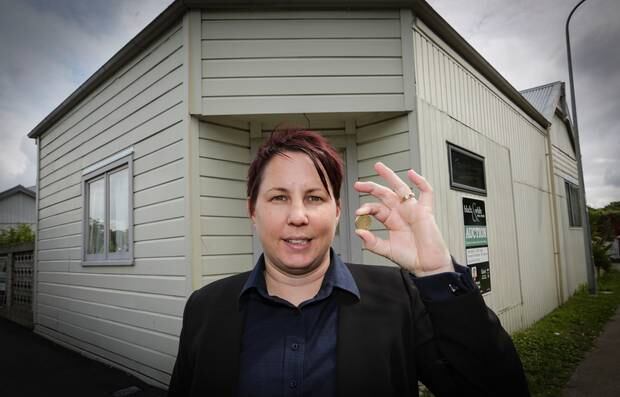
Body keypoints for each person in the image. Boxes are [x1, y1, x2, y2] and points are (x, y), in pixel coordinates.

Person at [168, 128, 529, 396]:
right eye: (279, 197)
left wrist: (436, 271)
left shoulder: (400, 297)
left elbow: (498, 388)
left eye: (314, 198)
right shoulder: (205, 307)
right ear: (253, 211)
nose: (297, 216)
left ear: (337, 211)